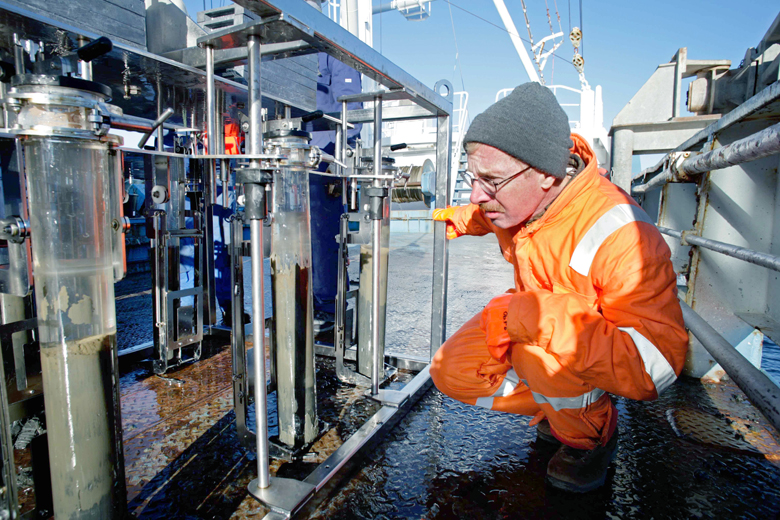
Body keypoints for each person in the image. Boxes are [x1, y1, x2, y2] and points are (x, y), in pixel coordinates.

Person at [430, 82, 689, 493]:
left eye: (491, 181)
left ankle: (590, 435)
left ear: (547, 176)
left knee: (538, 358)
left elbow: (655, 369)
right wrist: (463, 217)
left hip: (595, 351)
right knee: (451, 371)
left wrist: (534, 316)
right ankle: (561, 407)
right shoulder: (523, 198)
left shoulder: (624, 234)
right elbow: (500, 215)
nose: (478, 194)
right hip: (537, 323)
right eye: (473, 177)